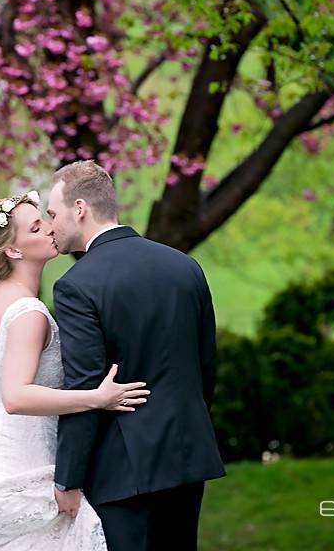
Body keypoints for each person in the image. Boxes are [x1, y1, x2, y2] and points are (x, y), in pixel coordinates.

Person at [0, 189, 149, 550]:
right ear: (14, 250)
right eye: (36, 228)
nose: (50, 229)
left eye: (45, 220)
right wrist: (97, 398)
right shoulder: (27, 312)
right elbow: (14, 396)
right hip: (23, 462)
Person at [47, 161, 225, 551]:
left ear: (80, 208)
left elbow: (85, 383)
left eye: (53, 213)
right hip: (186, 453)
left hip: (122, 468)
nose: (50, 225)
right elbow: (205, 365)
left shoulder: (76, 285)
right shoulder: (184, 266)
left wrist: (69, 478)